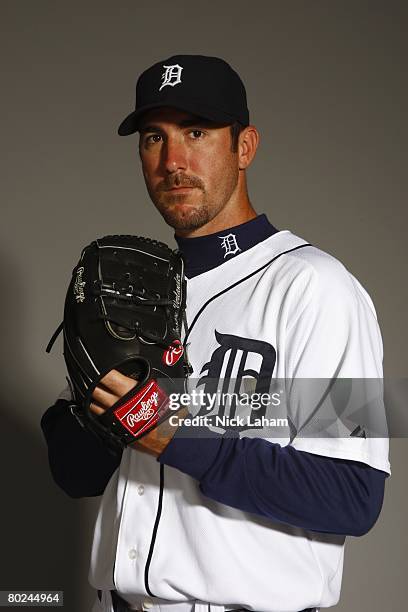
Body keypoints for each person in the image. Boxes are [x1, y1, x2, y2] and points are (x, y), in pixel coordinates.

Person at [41, 55, 391, 612]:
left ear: (244, 146)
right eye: (154, 137)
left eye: (196, 132)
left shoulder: (317, 287)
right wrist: (96, 416)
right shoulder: (134, 288)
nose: (173, 160)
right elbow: (73, 474)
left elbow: (353, 496)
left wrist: (180, 437)